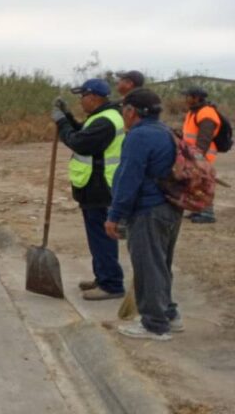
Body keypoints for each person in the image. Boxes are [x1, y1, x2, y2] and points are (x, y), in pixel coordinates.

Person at [105, 88, 182, 341]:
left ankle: (154, 324)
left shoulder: (139, 137)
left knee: (148, 266)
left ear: (130, 111)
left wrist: (115, 215)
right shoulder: (164, 132)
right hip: (169, 208)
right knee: (161, 264)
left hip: (149, 210)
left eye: (123, 110)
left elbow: (129, 179)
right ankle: (169, 314)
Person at [51, 78, 125, 300]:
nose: (81, 101)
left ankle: (111, 284)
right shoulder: (103, 117)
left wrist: (62, 122)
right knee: (98, 236)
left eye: (82, 96)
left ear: (94, 97)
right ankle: (102, 277)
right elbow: (83, 132)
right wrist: (69, 118)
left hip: (99, 187)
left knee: (101, 237)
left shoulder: (105, 121)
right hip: (95, 185)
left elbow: (79, 142)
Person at [182, 86, 220, 223]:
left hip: (202, 156)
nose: (186, 99)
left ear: (197, 98)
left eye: (188, 96)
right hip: (194, 154)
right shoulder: (194, 112)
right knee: (195, 183)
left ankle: (208, 213)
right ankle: (199, 209)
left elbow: (204, 138)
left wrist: (198, 158)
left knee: (204, 184)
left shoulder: (206, 113)